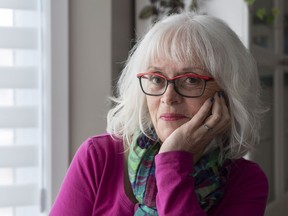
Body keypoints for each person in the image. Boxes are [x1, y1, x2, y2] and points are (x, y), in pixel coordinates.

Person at [50, 12, 269, 215]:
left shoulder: (246, 181)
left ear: (227, 94)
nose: (168, 96)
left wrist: (173, 160)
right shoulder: (98, 157)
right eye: (156, 79)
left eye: (190, 80)